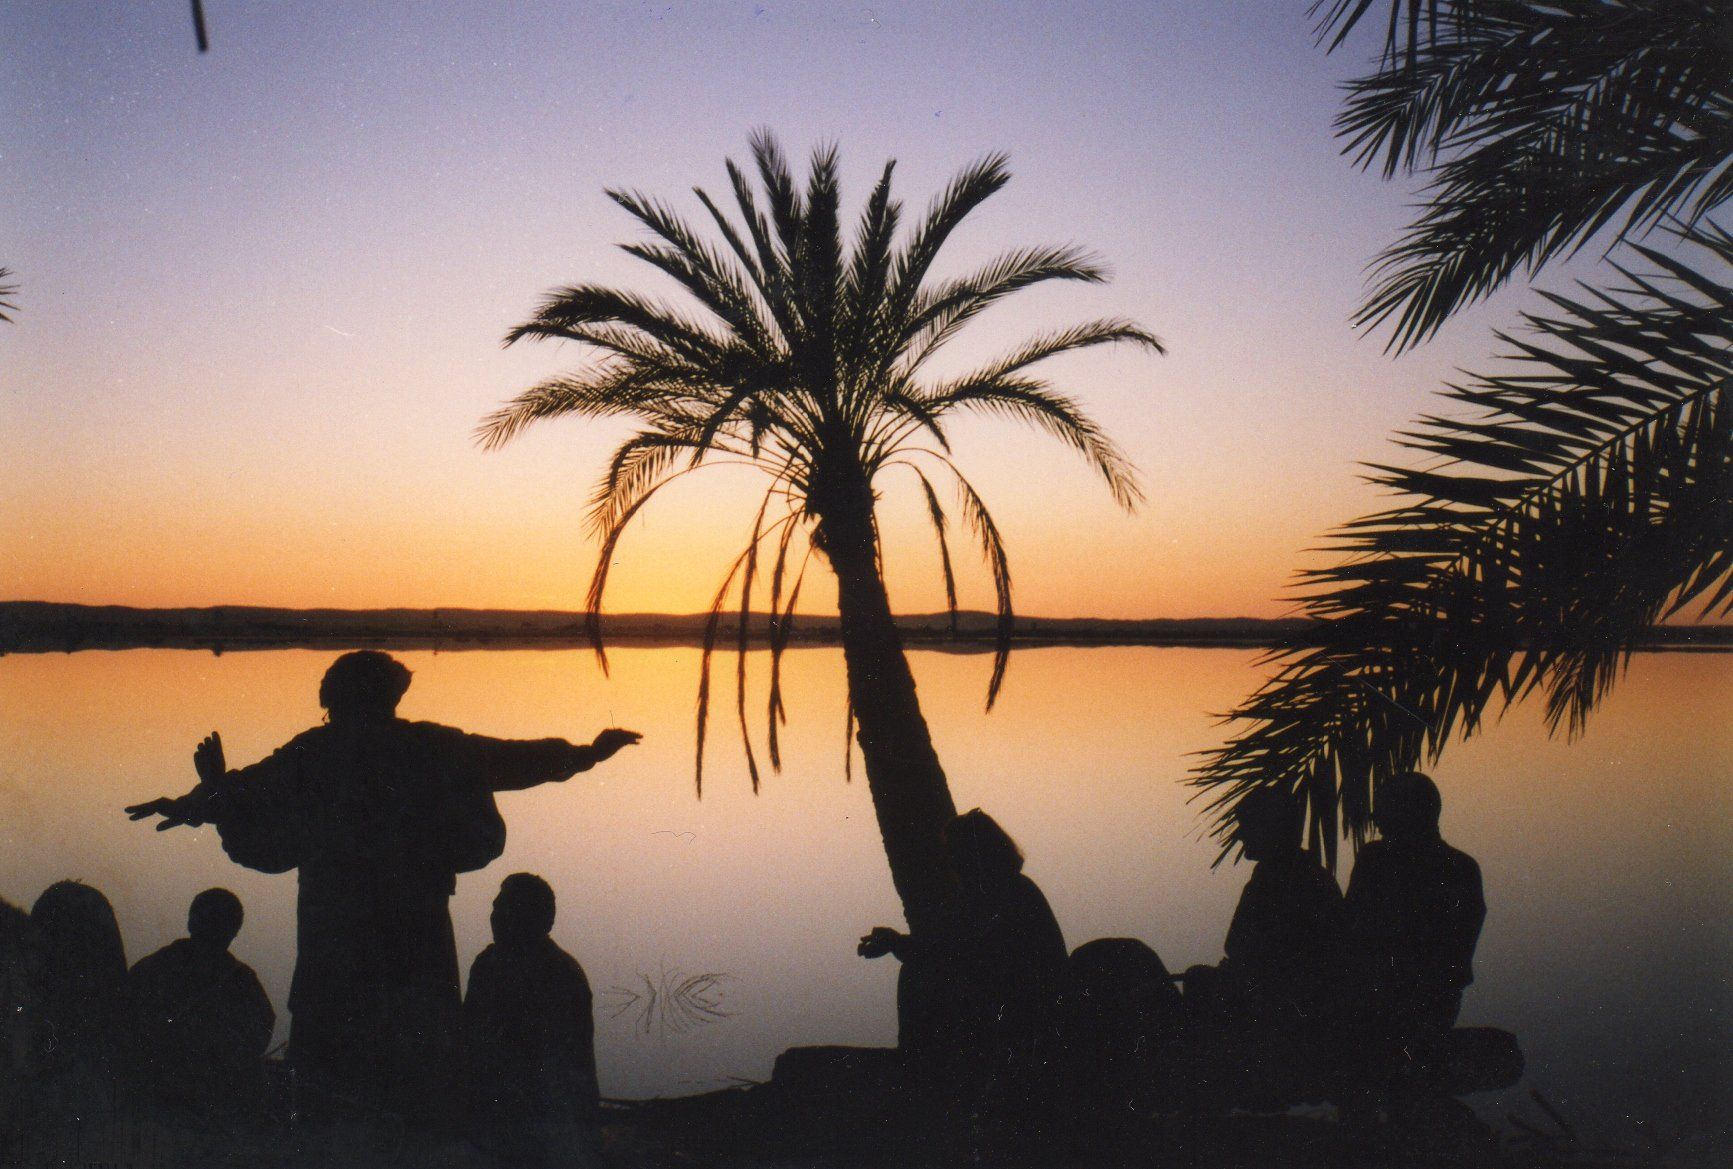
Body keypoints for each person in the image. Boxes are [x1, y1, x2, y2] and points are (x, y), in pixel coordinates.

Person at [123, 650, 640, 1126]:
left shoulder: (316, 753)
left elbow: (247, 794)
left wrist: (201, 798)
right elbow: (513, 760)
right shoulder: (426, 748)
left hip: (337, 937)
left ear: (334, 699)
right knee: (413, 1071)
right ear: (393, 696)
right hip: (411, 937)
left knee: (336, 1076)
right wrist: (584, 755)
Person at [859, 809, 1067, 1128]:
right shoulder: (996, 892)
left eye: (955, 853)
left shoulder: (1003, 894)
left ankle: (921, 1068)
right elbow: (947, 950)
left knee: (921, 976)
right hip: (1010, 1004)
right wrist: (897, 943)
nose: (950, 862)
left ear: (975, 854)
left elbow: (959, 955)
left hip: (1021, 1012)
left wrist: (897, 944)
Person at [1181, 787, 1344, 1106]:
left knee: (1197, 984)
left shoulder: (1283, 882)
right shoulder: (1303, 876)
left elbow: (1242, 948)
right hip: (1285, 998)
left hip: (1284, 1007)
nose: (1240, 835)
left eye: (1247, 825)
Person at [1344, 770, 1485, 1092]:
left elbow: (1352, 929)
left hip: (1399, 1004)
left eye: (1382, 809)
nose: (1375, 819)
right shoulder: (1462, 867)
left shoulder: (1375, 861)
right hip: (1428, 1003)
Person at [463, 874, 599, 1160]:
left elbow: (563, 1067)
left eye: (505, 910)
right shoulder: (487, 965)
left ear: (531, 918)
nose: (495, 918)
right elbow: (469, 1036)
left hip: (544, 1115)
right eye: (495, 908)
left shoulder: (560, 975)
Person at [125, 888, 275, 1116]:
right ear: (235, 930)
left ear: (192, 920)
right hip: (218, 1105)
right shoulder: (243, 981)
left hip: (157, 1099)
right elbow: (259, 1033)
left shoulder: (154, 968)